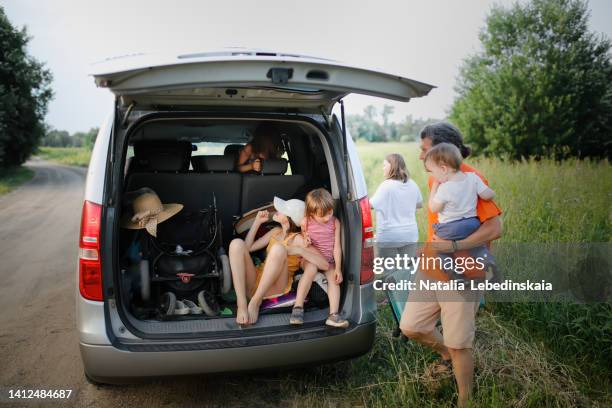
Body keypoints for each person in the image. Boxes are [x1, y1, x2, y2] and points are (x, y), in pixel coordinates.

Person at [400, 122, 502, 408]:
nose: (420, 156)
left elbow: (495, 228)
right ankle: (449, 356)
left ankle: (465, 398)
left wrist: (455, 246)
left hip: (463, 269)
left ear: (443, 152)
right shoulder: (437, 178)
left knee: (459, 342)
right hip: (432, 266)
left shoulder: (470, 177)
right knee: (411, 326)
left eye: (424, 150)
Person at [228, 197, 328, 325]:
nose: (277, 210)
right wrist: (257, 222)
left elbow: (324, 264)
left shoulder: (298, 239)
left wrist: (300, 251)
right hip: (257, 280)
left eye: (282, 210)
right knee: (236, 244)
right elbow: (248, 248)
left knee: (278, 249)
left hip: (276, 285)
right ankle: (241, 303)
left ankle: (256, 301)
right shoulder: (275, 232)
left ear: (289, 218)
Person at [424, 143, 496, 280]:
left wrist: (434, 188)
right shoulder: (473, 178)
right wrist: (492, 193)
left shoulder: (444, 188)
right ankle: (488, 261)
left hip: (450, 228)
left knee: (439, 249)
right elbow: (487, 195)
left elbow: (433, 208)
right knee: (478, 248)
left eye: (433, 172)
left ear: (444, 169)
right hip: (472, 225)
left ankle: (455, 275)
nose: (433, 176)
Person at [290, 188, 348, 328]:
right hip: (310, 259)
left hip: (328, 261)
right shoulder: (306, 222)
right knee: (310, 269)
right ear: (312, 213)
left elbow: (337, 248)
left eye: (330, 212)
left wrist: (338, 269)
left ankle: (333, 315)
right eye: (323, 215)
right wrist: (306, 241)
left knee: (334, 280)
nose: (328, 217)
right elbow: (304, 242)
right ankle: (298, 308)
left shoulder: (335, 223)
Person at [369, 153, 423, 259]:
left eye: (385, 165)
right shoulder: (413, 184)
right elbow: (419, 204)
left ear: (392, 166)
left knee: (390, 271)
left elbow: (370, 205)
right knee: (407, 269)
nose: (382, 168)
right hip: (410, 235)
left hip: (390, 237)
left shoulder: (386, 185)